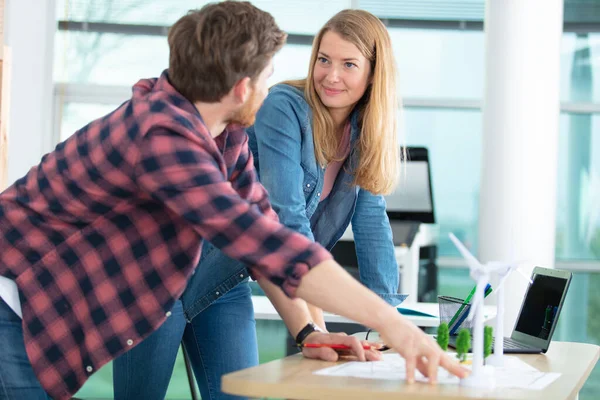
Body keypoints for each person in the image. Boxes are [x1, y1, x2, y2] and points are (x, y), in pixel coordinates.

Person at [0, 2, 467, 400]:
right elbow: (267, 240)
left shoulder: (228, 139)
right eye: (266, 77)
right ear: (243, 87)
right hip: (15, 303)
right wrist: (395, 326)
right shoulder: (162, 135)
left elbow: (266, 238)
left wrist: (309, 331)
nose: (274, 89)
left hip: (60, 313)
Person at [117, 9, 432, 400]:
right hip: (160, 275)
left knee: (243, 394)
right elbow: (286, 222)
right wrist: (316, 325)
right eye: (324, 60)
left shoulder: (362, 135)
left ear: (373, 74)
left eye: (348, 64)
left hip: (223, 279)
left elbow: (371, 224)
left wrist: (387, 327)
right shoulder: (284, 106)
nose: (331, 76)